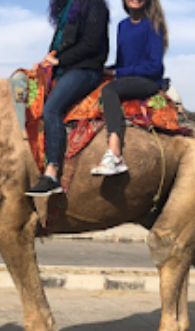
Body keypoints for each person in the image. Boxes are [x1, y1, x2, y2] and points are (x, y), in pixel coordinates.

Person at [25, 0, 110, 196]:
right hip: (65, 69)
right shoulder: (66, 8)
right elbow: (58, 44)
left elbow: (91, 44)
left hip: (85, 69)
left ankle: (52, 173)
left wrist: (59, 60)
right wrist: (46, 61)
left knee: (52, 109)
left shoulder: (94, 5)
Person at [91, 0, 168, 176]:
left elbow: (155, 66)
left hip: (147, 80)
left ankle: (115, 154)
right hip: (127, 78)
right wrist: (104, 70)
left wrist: (118, 73)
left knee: (110, 91)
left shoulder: (153, 24)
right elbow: (122, 63)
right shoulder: (122, 26)